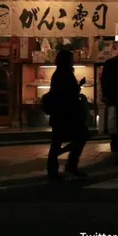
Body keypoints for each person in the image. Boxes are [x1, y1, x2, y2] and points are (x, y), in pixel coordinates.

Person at [46, 48, 88, 180]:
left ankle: (55, 169)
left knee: (58, 141)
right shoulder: (66, 74)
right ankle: (69, 165)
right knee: (81, 136)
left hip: (59, 113)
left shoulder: (58, 73)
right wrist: (79, 86)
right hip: (67, 114)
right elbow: (70, 93)